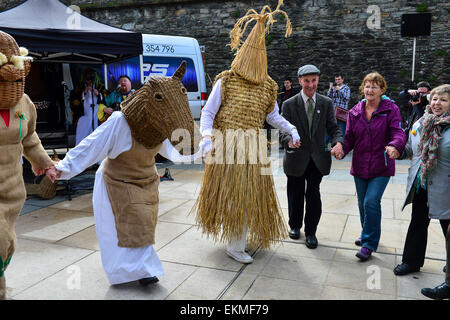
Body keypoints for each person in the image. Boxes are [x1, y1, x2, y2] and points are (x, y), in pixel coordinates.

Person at [46, 62, 199, 286]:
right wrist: (63, 168)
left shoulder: (159, 127)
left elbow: (174, 153)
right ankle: (134, 271)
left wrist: (204, 148)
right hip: (115, 184)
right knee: (118, 230)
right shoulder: (120, 122)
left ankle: (142, 269)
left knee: (144, 226)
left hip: (146, 183)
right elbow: (91, 146)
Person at [193, 1, 301, 264]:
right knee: (235, 196)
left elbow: (272, 116)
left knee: (250, 196)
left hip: (254, 147)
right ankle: (235, 244)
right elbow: (207, 113)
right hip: (228, 146)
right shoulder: (226, 80)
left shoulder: (268, 86)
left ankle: (239, 239)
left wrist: (291, 128)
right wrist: (206, 138)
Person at [0, 31, 54, 300]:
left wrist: (44, 163)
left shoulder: (24, 103)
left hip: (13, 191)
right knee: (0, 240)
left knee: (7, 244)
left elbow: (30, 137)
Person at [334, 72, 407, 261]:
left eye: (375, 86)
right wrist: (341, 147)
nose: (370, 89)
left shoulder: (391, 109)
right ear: (362, 89)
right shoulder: (355, 112)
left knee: (371, 202)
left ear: (382, 90)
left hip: (381, 165)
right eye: (367, 86)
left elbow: (398, 132)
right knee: (362, 204)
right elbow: (349, 137)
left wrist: (395, 146)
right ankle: (368, 232)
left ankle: (368, 243)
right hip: (359, 165)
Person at [280, 64, 344, 249]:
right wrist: (288, 141)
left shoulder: (326, 103)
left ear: (318, 80)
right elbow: (282, 131)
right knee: (295, 193)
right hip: (295, 157)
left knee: (313, 195)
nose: (310, 85)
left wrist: (338, 142)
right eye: (306, 81)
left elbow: (333, 128)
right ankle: (294, 226)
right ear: (300, 81)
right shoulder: (289, 104)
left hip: (317, 159)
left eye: (313, 80)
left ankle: (311, 232)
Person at [392, 84, 449, 280]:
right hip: (422, 183)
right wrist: (397, 152)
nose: (437, 103)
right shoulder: (421, 123)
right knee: (418, 221)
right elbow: (410, 148)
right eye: (434, 98)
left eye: (443, 99)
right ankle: (411, 261)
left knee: (447, 227)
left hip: (445, 187)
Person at [75, 79, 101, 145]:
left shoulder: (99, 88)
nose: (89, 83)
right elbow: (78, 102)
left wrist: (97, 94)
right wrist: (84, 93)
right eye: (88, 82)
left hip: (95, 113)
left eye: (91, 82)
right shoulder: (81, 90)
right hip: (85, 115)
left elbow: (102, 100)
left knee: (94, 126)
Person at [327, 74, 351, 140]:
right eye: (336, 80)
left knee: (341, 129)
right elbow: (328, 98)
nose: (337, 81)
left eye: (339, 79)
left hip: (341, 112)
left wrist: (339, 90)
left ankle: (341, 145)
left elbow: (346, 98)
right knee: (330, 127)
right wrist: (330, 89)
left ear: (342, 79)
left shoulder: (346, 88)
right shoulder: (334, 88)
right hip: (333, 111)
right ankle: (326, 145)